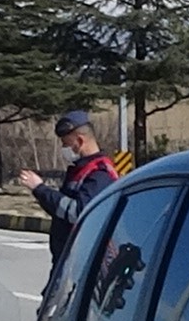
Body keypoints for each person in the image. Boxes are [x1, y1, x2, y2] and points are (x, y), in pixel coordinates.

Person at [16, 110, 115, 271]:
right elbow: (60, 210)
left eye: (66, 144)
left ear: (80, 140)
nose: (64, 149)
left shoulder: (100, 174)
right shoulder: (79, 171)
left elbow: (77, 212)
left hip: (85, 263)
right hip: (68, 259)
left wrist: (40, 188)